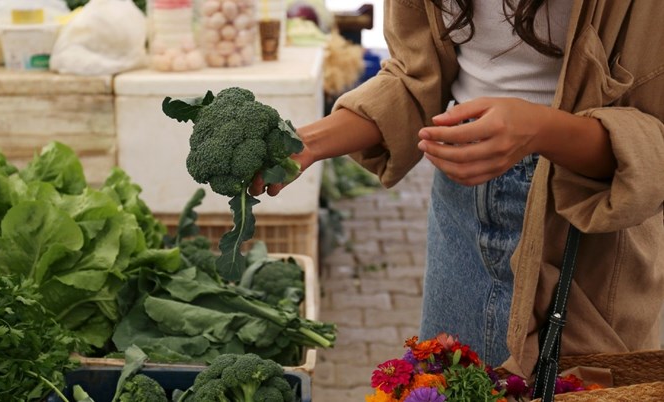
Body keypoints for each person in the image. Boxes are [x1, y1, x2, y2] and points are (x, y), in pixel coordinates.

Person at [251, 0, 664, 379]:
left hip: (585, 229)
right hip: (459, 211)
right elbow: (414, 77)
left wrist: (541, 129)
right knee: (443, 381)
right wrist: (305, 144)